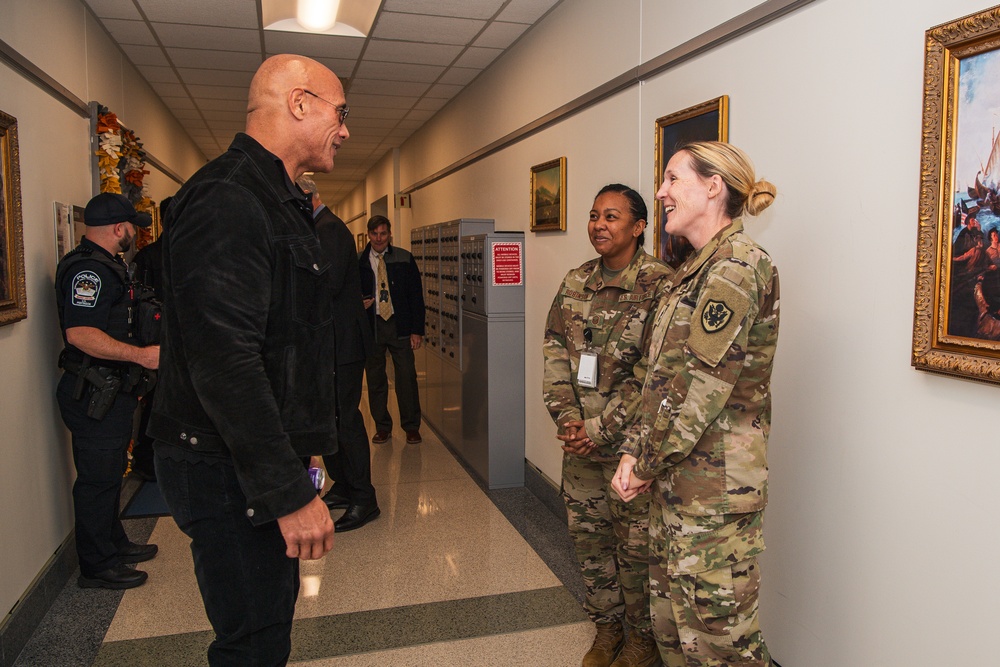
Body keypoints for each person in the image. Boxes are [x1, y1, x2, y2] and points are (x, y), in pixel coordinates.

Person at [149, 54, 348, 666]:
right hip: (224, 468)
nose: (345, 130)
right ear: (299, 103)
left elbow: (284, 341)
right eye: (339, 113)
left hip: (249, 461)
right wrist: (288, 492)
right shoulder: (229, 199)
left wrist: (304, 448)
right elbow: (226, 364)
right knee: (254, 642)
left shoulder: (273, 198)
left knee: (266, 625)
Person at [612, 141, 779, 666]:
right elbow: (659, 382)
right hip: (676, 487)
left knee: (721, 642)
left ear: (713, 187)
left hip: (714, 495)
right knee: (674, 633)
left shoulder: (735, 268)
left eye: (672, 179)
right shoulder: (690, 271)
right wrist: (635, 451)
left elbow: (701, 390)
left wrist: (645, 460)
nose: (660, 192)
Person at [543, 184, 672, 667]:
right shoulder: (576, 281)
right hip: (580, 450)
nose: (599, 224)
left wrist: (598, 429)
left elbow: (654, 375)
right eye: (594, 214)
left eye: (611, 216)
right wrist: (569, 418)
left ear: (639, 227)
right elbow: (554, 351)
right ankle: (605, 630)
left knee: (636, 550)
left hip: (630, 452)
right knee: (590, 543)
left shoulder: (661, 285)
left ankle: (641, 641)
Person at [55, 192, 160, 590]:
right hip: (93, 394)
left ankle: (113, 543)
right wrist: (142, 356)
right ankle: (97, 565)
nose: (134, 233)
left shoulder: (108, 266)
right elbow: (80, 333)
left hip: (110, 391)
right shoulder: (90, 273)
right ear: (119, 228)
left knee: (110, 472)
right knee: (98, 480)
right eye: (132, 226)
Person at [298, 175, 380, 532]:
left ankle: (364, 498)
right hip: (328, 342)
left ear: (307, 198)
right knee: (328, 417)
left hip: (343, 343)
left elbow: (324, 286)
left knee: (346, 419)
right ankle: (344, 486)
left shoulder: (329, 229)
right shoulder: (318, 228)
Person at [359, 215, 425, 445]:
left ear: (389, 235)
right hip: (372, 326)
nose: (379, 238)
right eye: (375, 234)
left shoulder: (404, 258)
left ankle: (411, 427)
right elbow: (347, 294)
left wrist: (417, 330)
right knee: (376, 379)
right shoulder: (359, 261)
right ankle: (382, 426)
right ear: (368, 234)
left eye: (383, 233)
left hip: (400, 325)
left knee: (406, 377)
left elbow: (416, 297)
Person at [128, 195, 172, 481]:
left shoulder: (146, 256)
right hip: (167, 344)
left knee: (156, 403)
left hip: (156, 343)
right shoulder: (193, 254)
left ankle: (149, 463)